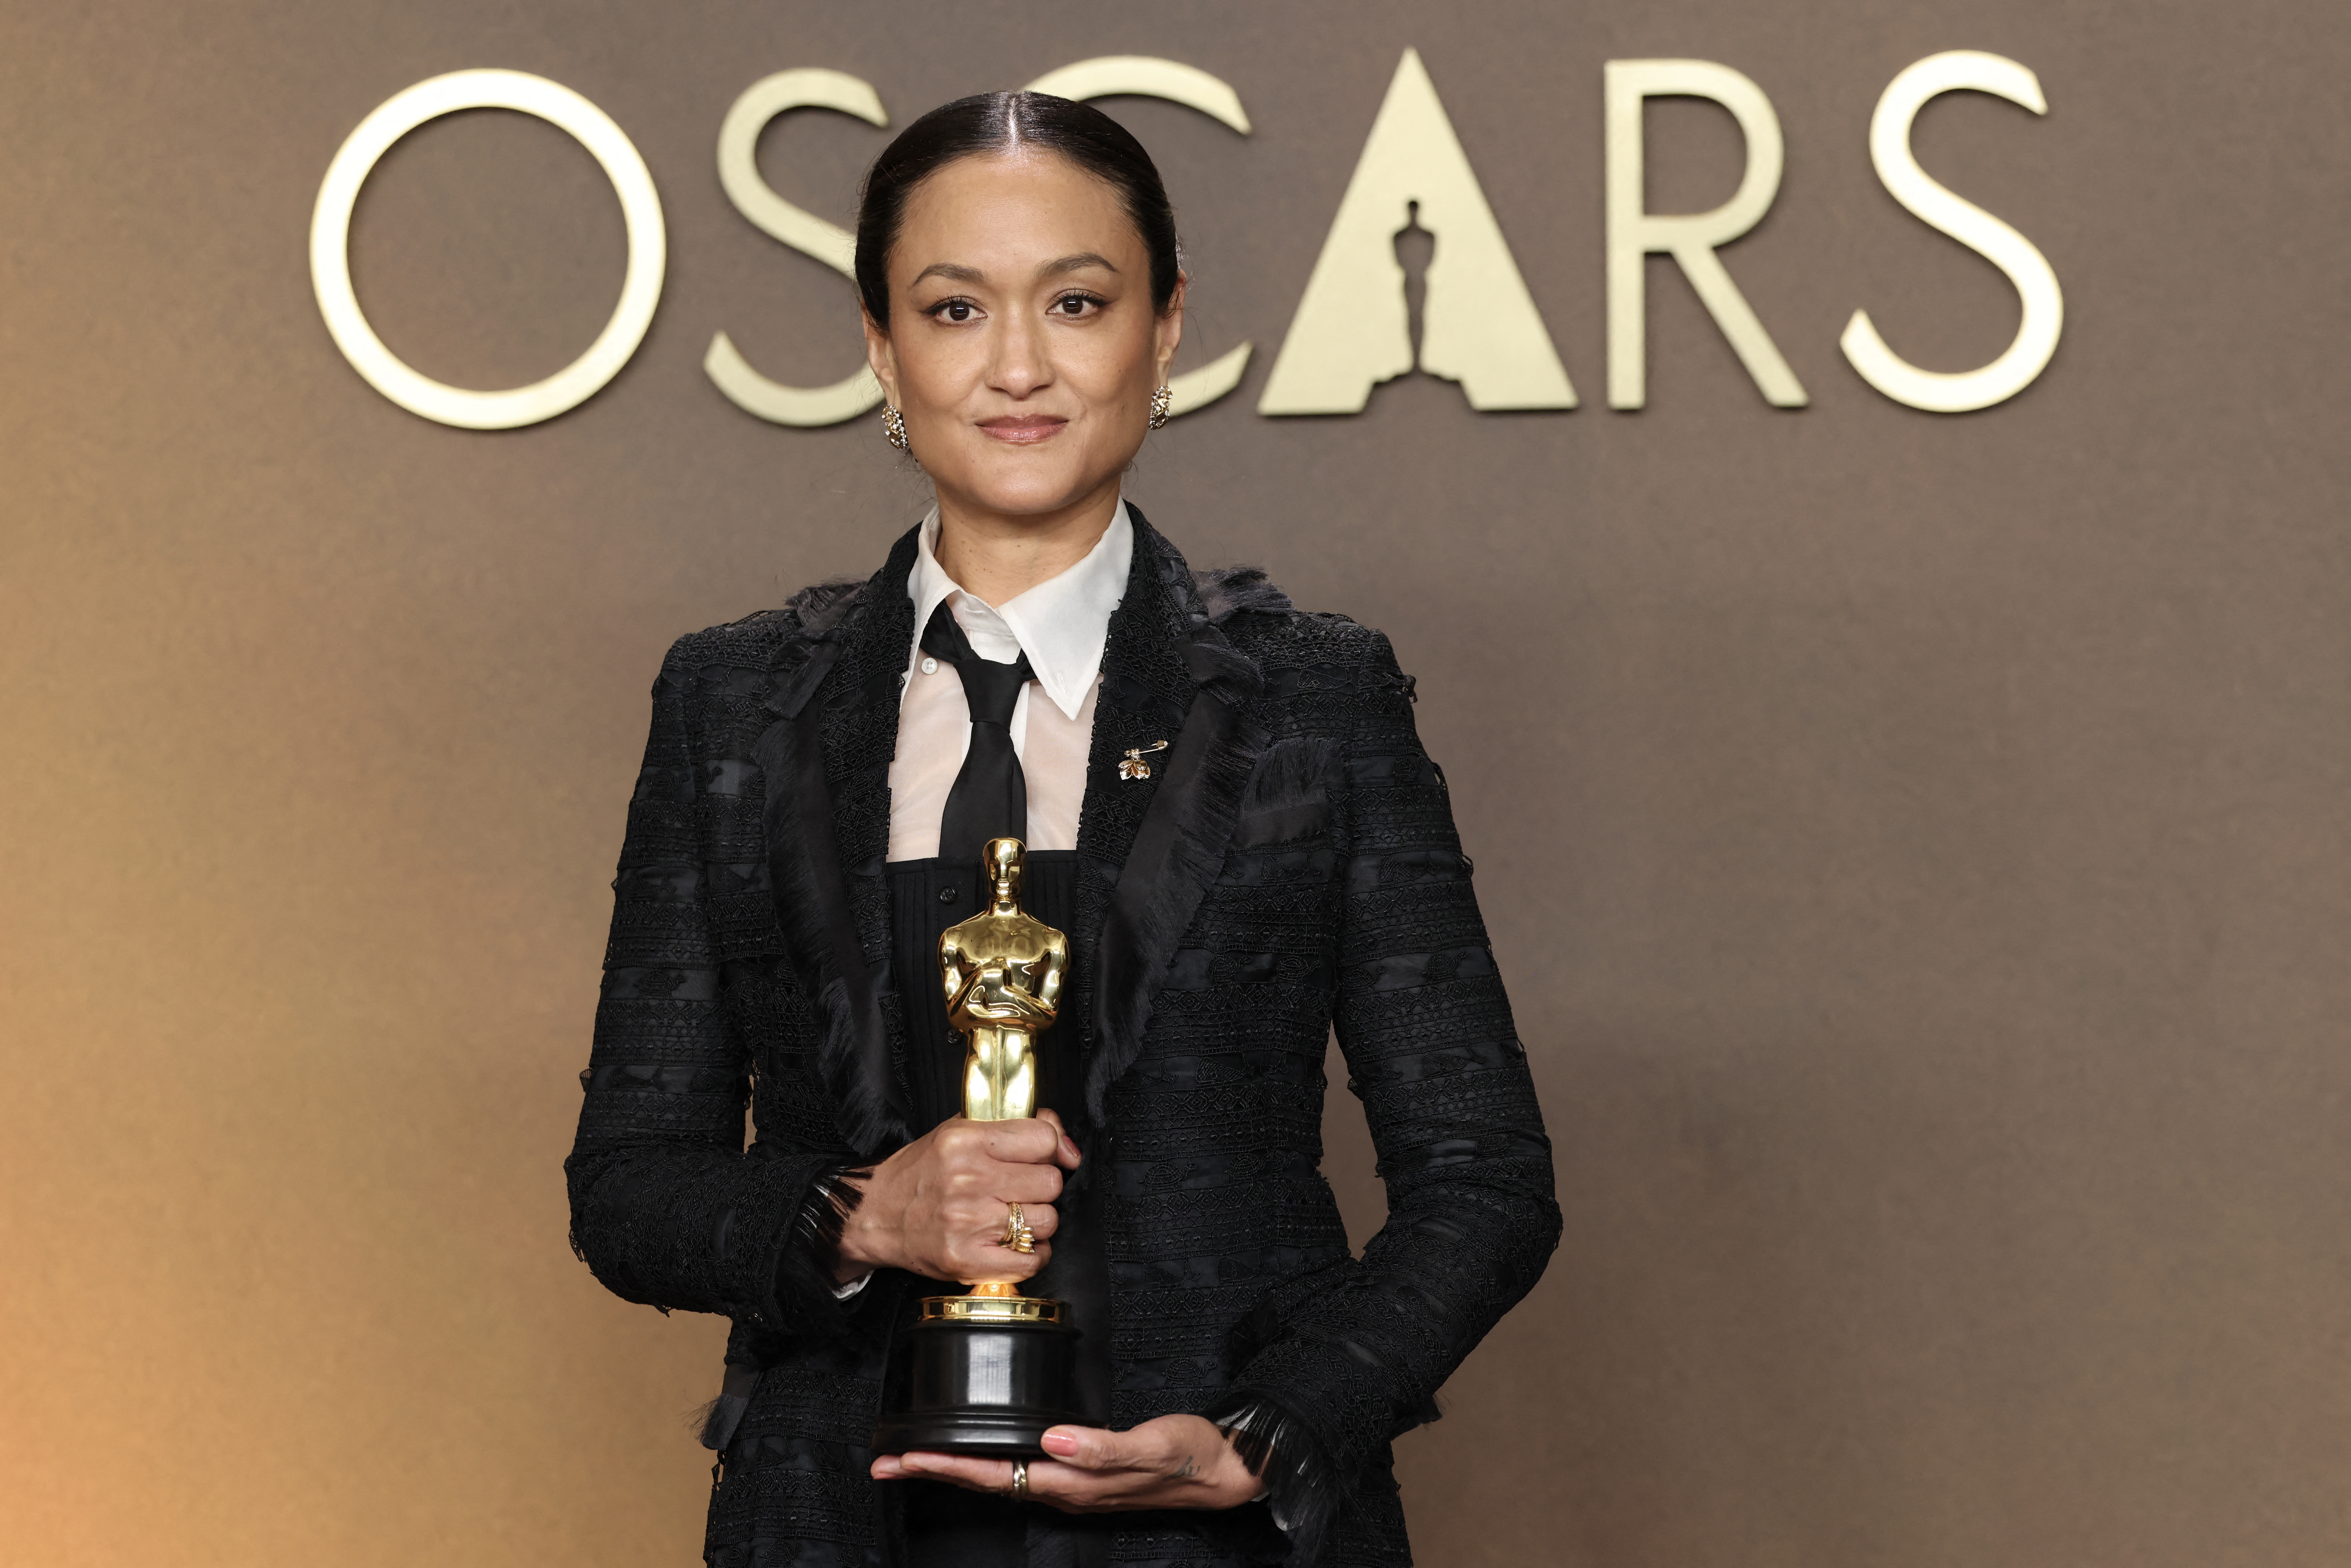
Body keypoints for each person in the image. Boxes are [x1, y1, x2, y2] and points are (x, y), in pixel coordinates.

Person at [565, 90, 1559, 1568]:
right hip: (837, 1521)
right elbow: (632, 1185)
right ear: (879, 346)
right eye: (955, 308)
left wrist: (1268, 1434)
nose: (1017, 366)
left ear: (1163, 331)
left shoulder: (1316, 699)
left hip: (1216, 1533)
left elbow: (1484, 1178)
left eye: (1077, 302)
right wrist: (860, 1212)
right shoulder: (734, 704)